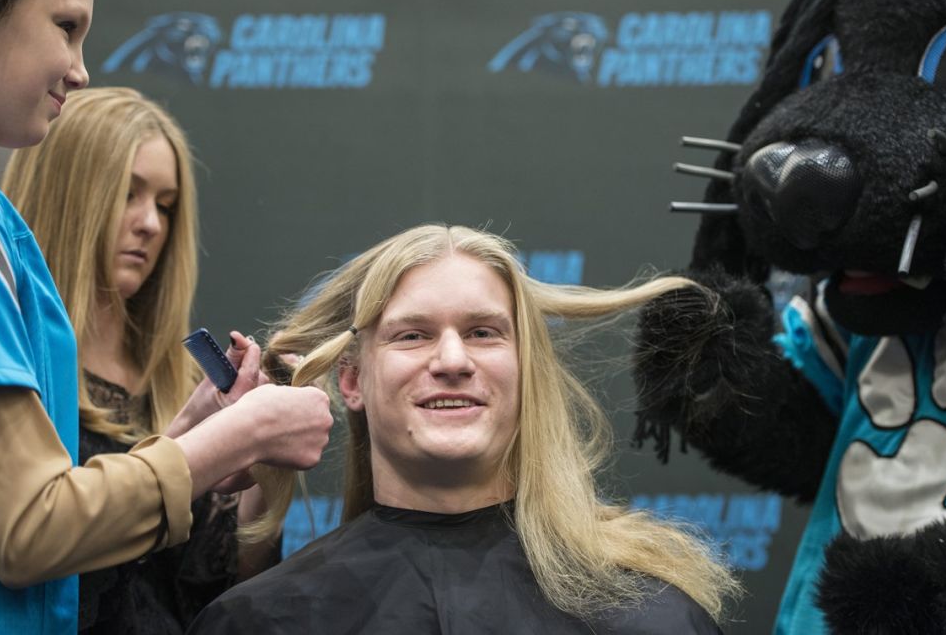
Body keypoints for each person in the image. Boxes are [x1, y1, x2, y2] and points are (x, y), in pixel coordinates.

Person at [0, 0, 332, 633]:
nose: (81, 70)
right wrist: (238, 439)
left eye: (167, 204)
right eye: (65, 26)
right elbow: (27, 527)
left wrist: (192, 436)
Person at [190, 225, 740, 634]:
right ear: (352, 380)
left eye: (482, 332)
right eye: (412, 336)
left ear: (526, 372)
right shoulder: (259, 622)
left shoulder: (654, 619)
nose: (452, 359)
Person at [0, 87, 278, 633]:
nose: (151, 223)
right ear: (64, 194)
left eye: (165, 205)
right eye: (128, 193)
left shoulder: (182, 383)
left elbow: (215, 582)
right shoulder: (10, 361)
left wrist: (262, 459)